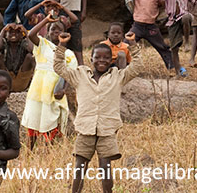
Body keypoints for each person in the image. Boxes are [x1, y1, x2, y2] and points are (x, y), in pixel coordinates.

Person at [53, 32, 142, 193]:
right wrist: (62, 45)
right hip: (85, 129)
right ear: (91, 58)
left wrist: (133, 44)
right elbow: (59, 67)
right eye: (98, 57)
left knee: (105, 167)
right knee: (80, 167)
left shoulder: (118, 76)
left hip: (107, 129)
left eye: (106, 58)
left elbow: (137, 67)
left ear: (111, 60)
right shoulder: (80, 75)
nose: (102, 61)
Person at [21, 14, 78, 149]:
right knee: (33, 117)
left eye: (59, 30)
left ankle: (48, 149)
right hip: (37, 90)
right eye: (52, 29)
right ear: (47, 32)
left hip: (54, 91)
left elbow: (69, 74)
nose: (56, 32)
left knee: (50, 118)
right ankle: (30, 149)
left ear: (66, 34)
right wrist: (46, 20)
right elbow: (31, 35)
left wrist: (64, 89)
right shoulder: (43, 45)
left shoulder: (69, 53)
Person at [118, 0, 173, 71]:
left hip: (151, 28)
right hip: (137, 26)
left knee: (162, 47)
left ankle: (172, 67)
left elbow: (162, 2)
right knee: (125, 46)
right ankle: (121, 68)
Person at [156, 0, 197, 77]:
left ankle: (186, 41)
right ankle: (177, 72)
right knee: (174, 48)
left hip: (185, 16)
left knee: (186, 17)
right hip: (172, 20)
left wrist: (192, 10)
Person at [0, 23, 35, 92]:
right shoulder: (4, 43)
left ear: (21, 36)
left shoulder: (24, 43)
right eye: (10, 32)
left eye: (17, 33)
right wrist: (3, 30)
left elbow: (32, 50)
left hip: (21, 80)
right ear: (6, 35)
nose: (13, 34)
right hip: (6, 79)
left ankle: (36, 85)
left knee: (30, 56)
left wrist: (25, 32)